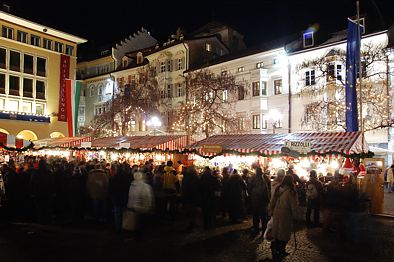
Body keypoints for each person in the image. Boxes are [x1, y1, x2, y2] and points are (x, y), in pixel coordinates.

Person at [269, 175, 298, 261]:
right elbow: (294, 206)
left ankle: (276, 250)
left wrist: (271, 210)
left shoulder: (278, 188)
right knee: (284, 233)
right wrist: (295, 216)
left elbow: (273, 200)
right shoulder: (291, 192)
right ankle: (281, 250)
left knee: (277, 232)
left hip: (277, 212)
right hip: (286, 214)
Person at [127, 171, 154, 240]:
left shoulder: (132, 185)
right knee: (142, 223)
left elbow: (130, 197)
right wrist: (149, 206)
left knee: (136, 224)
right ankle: (142, 237)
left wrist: (130, 205)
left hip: (134, 207)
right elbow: (148, 197)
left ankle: (137, 237)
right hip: (143, 208)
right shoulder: (145, 186)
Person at [30, 158, 55, 224]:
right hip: (47, 192)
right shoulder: (49, 172)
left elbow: (32, 183)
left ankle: (41, 220)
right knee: (47, 207)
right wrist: (52, 191)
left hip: (38, 192)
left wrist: (32, 192)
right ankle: (47, 220)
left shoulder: (36, 172)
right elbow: (52, 183)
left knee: (39, 208)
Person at [109, 163, 131, 232]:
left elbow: (111, 188)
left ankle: (118, 227)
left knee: (117, 213)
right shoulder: (127, 178)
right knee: (124, 213)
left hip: (116, 197)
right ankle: (125, 226)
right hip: (124, 197)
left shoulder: (114, 178)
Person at [248, 166, 270, 237]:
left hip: (256, 200)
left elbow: (249, 188)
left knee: (256, 216)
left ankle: (257, 229)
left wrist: (251, 196)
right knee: (263, 217)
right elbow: (266, 191)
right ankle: (263, 230)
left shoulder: (253, 179)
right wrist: (267, 200)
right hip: (262, 201)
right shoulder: (264, 179)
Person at [181, 165, 201, 230]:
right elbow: (197, 187)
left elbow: (183, 186)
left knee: (189, 211)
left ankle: (189, 224)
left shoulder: (186, 177)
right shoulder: (196, 177)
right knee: (193, 211)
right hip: (193, 196)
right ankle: (192, 223)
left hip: (187, 196)